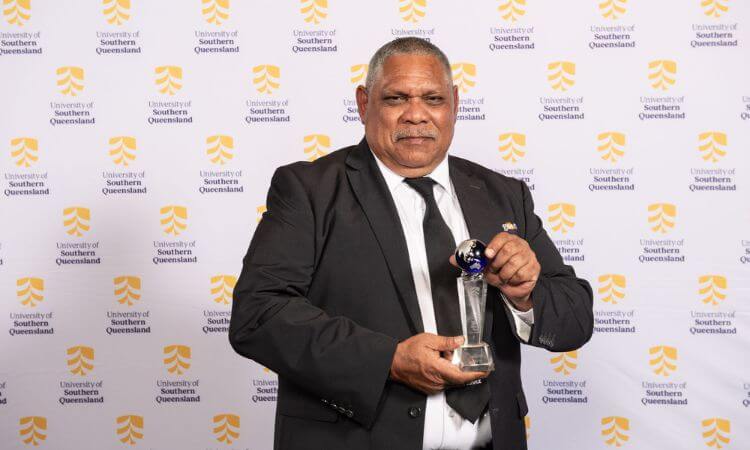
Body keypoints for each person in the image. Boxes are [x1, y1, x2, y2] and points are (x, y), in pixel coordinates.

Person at [229, 37, 593, 450]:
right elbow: (257, 315)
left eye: (433, 98)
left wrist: (525, 296)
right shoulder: (309, 191)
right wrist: (389, 360)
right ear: (364, 103)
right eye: (396, 98)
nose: (416, 115)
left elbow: (575, 319)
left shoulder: (503, 194)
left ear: (455, 103)